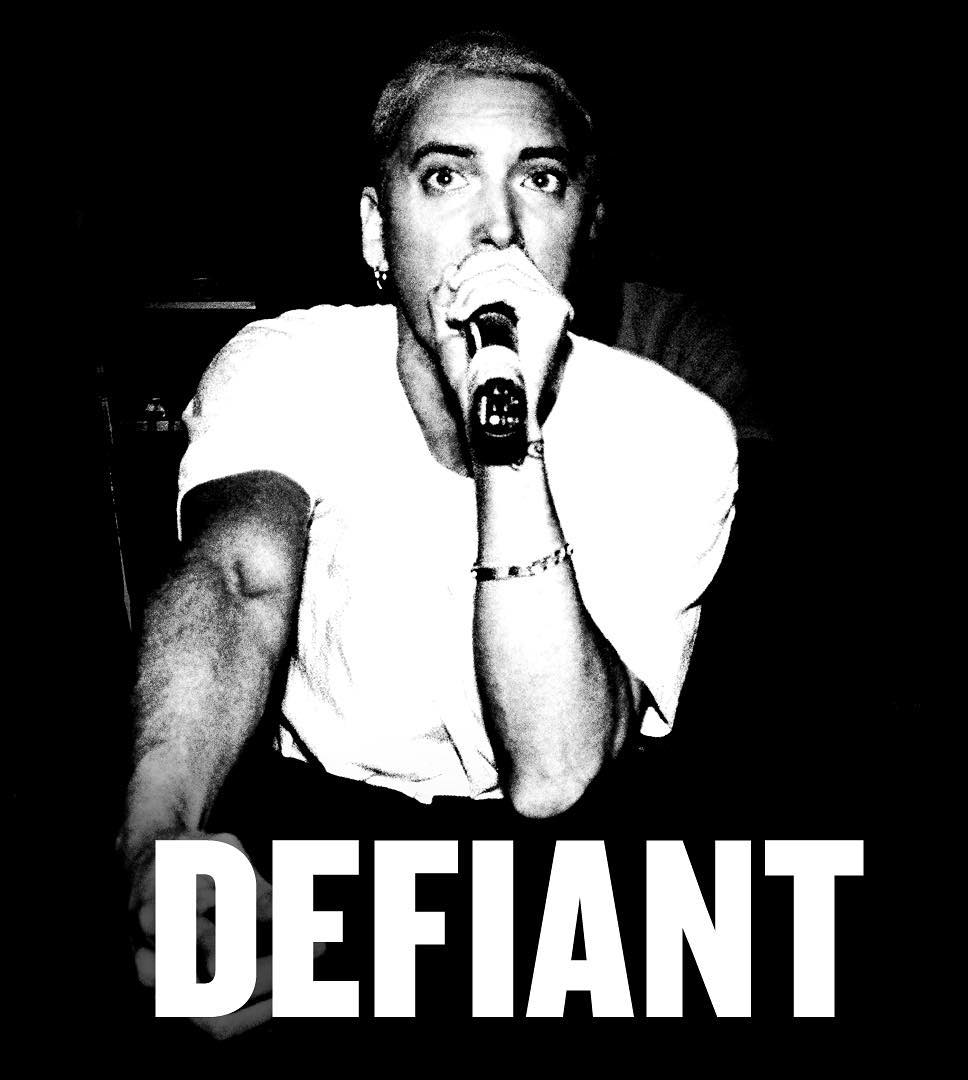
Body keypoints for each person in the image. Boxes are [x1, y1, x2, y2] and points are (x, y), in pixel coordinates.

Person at [118, 30, 738, 1034]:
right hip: (319, 826)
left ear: (584, 229)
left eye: (539, 179)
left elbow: (555, 774)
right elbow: (238, 576)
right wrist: (160, 833)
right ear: (377, 229)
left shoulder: (675, 432)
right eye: (446, 176)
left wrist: (507, 432)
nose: (497, 229)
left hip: (564, 870)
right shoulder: (286, 362)